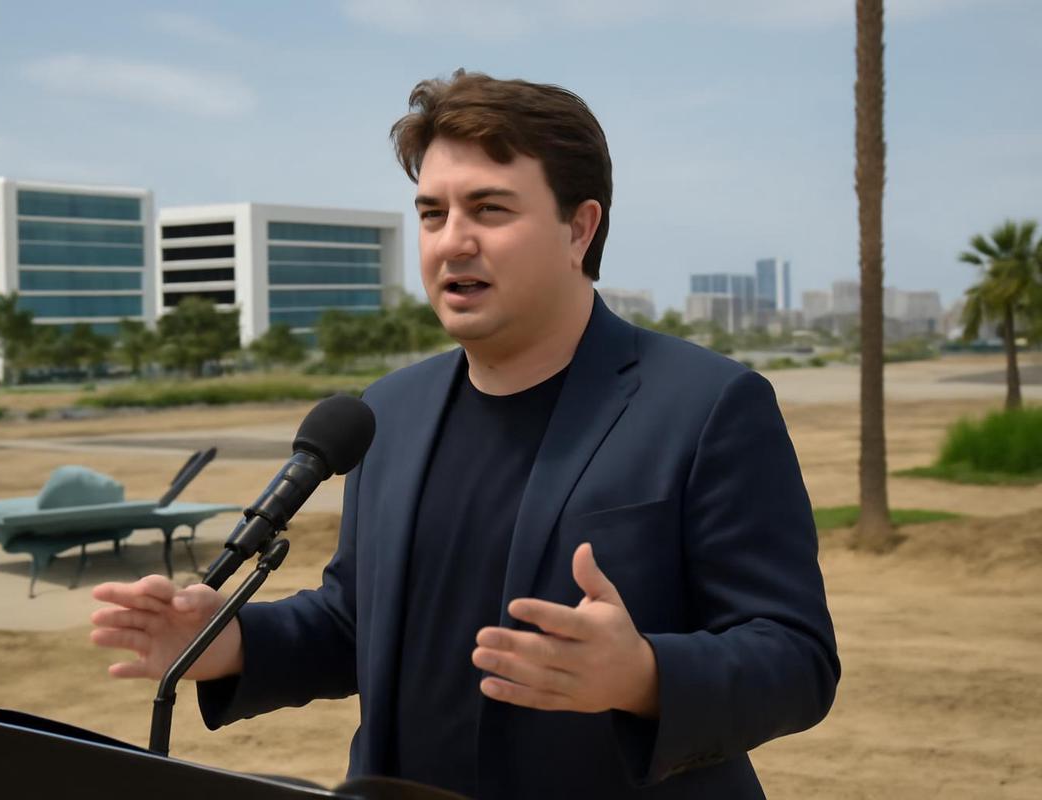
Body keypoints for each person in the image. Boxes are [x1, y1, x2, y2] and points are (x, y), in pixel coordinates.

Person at [91, 70, 840, 799]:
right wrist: (230, 641)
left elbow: (795, 658)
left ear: (579, 228)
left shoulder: (708, 405)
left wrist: (642, 674)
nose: (452, 242)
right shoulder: (387, 412)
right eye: (431, 213)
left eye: (489, 210)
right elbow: (358, 619)